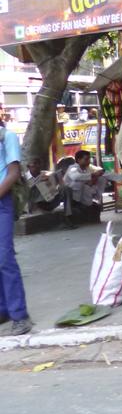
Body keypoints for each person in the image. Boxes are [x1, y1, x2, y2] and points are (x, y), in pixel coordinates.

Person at [0, 120, 31, 336]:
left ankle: (20, 316)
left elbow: (13, 173)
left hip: (2, 201)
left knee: (4, 257)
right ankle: (3, 310)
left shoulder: (7, 136)